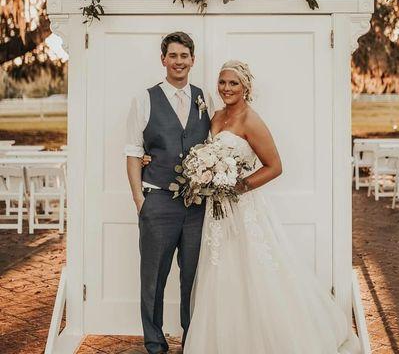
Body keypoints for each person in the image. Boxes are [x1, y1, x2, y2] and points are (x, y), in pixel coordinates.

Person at [183, 60, 361, 354]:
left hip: (243, 209)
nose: (226, 88)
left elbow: (275, 166)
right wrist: (205, 175)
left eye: (233, 83)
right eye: (223, 82)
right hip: (216, 213)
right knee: (221, 271)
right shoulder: (215, 116)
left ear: (246, 88)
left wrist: (238, 186)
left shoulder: (251, 120)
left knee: (254, 269)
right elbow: (204, 153)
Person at [125, 31, 213, 354]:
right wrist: (140, 201)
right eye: (172, 56)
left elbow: (213, 143)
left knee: (192, 276)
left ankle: (193, 340)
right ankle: (155, 343)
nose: (179, 62)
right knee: (153, 278)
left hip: (196, 205)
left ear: (193, 60)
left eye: (184, 56)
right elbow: (133, 152)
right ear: (163, 59)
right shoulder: (145, 99)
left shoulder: (205, 99)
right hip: (158, 200)